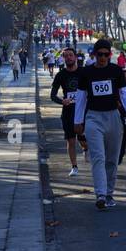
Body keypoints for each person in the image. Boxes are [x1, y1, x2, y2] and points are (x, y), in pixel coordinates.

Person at [73, 39, 126, 210]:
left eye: (105, 54)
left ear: (110, 55)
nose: (102, 58)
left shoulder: (116, 71)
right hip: (93, 118)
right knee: (98, 158)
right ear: (94, 54)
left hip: (113, 117)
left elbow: (124, 92)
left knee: (112, 159)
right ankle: (100, 194)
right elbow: (81, 98)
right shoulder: (86, 72)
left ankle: (109, 193)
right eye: (99, 54)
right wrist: (78, 121)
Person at [50, 47, 87, 176]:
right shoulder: (61, 75)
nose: (69, 58)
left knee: (83, 138)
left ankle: (85, 147)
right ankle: (74, 166)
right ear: (63, 58)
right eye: (66, 56)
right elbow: (53, 95)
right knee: (70, 140)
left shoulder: (84, 72)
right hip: (68, 112)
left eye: (71, 55)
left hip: (83, 111)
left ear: (75, 57)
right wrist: (62, 101)